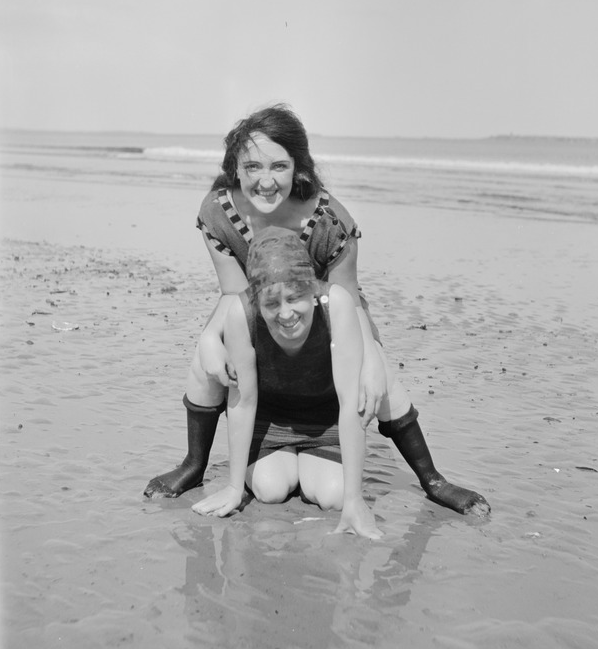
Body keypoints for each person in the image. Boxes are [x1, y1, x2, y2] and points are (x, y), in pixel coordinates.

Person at [144, 104, 490, 516]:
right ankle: (193, 464)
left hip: (333, 315)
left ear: (299, 167)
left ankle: (433, 479)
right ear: (234, 167)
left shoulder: (330, 222)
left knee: (376, 372)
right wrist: (206, 339)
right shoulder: (218, 211)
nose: (266, 181)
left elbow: (349, 300)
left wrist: (374, 360)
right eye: (252, 166)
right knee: (207, 361)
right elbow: (233, 292)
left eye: (279, 166)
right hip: (263, 312)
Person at [191, 227, 382, 539]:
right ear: (256, 300)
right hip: (269, 421)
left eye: (295, 297)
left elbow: (351, 403)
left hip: (325, 422)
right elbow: (243, 401)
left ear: (311, 287)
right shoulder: (242, 312)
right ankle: (284, 466)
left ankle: (313, 465)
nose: (286, 313)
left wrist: (355, 500)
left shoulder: (336, 304)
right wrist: (233, 487)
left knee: (334, 497)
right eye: (271, 304)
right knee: (269, 490)